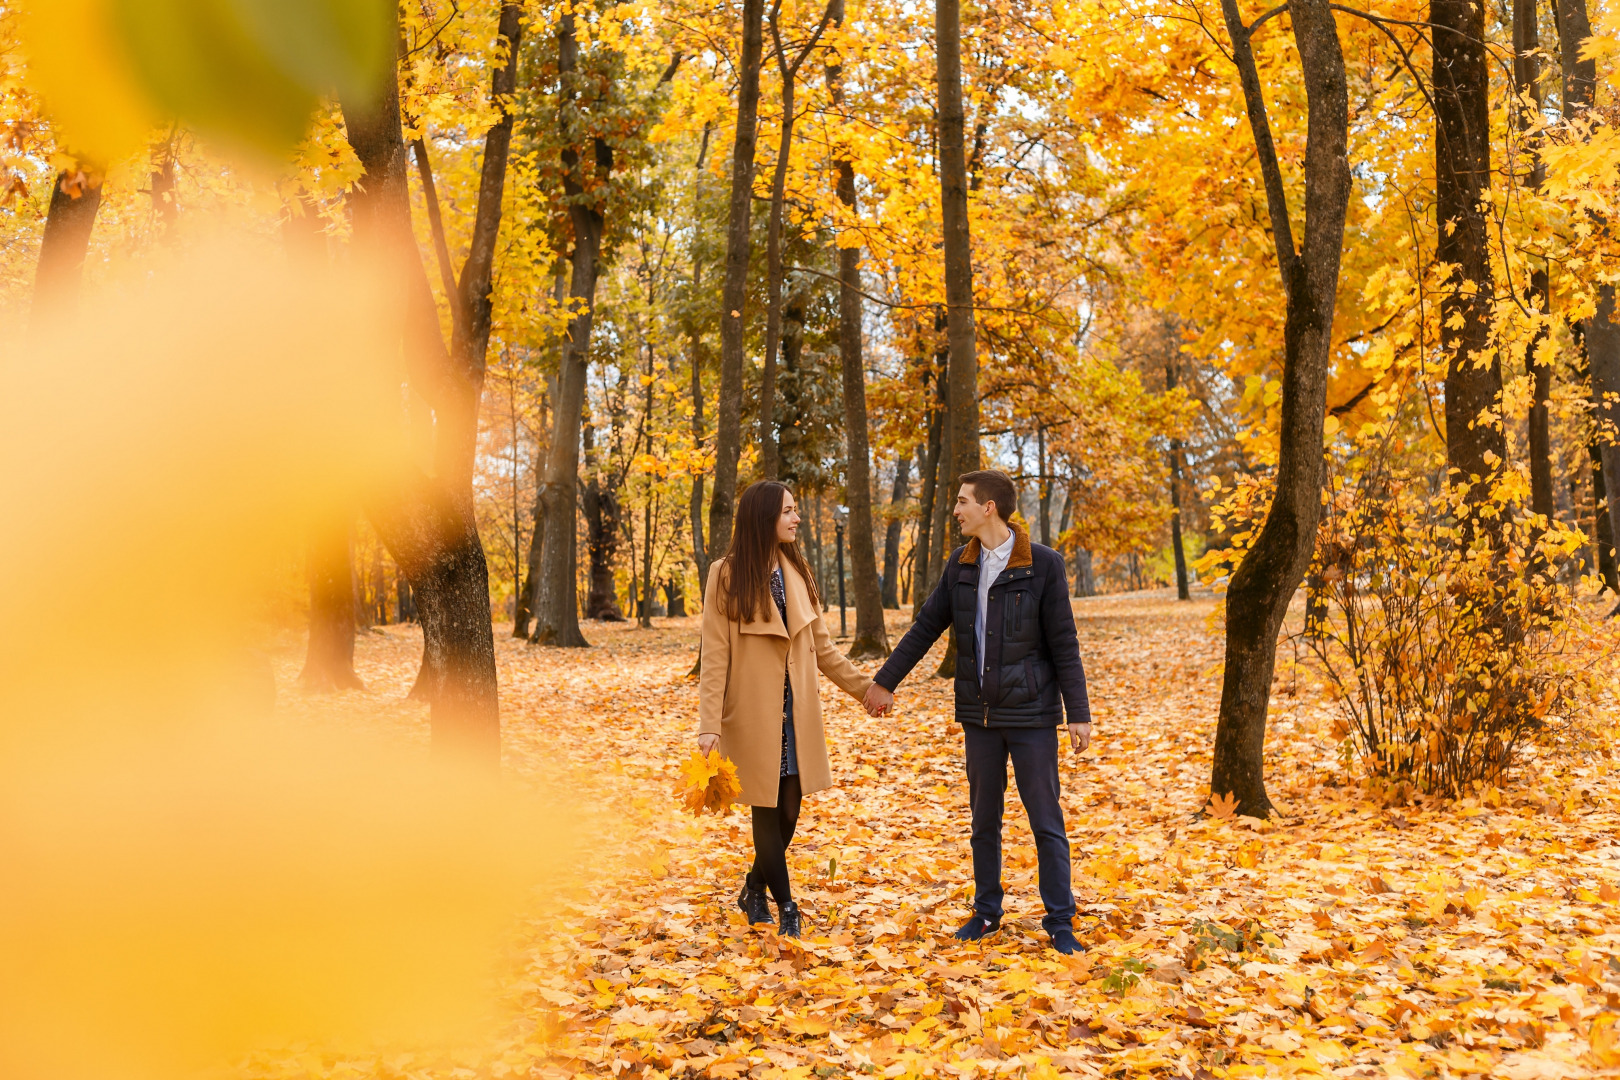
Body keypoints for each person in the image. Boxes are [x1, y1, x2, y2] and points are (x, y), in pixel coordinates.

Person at [863, 469, 1093, 954]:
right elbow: (926, 627)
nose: (957, 510)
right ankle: (987, 912)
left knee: (1045, 819)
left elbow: (1064, 642)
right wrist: (884, 682)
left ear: (988, 507)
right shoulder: (961, 565)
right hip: (980, 717)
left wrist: (1079, 710)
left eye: (964, 501)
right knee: (983, 820)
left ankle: (1060, 920)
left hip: (1031, 715)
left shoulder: (1044, 565)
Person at [697, 480, 873, 938]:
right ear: (763, 518)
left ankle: (754, 887)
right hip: (753, 714)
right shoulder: (726, 573)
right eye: (788, 511)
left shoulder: (797, 573)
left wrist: (867, 690)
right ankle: (787, 905)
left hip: (798, 714)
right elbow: (715, 654)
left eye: (795, 510)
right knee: (766, 807)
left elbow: (825, 650)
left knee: (790, 809)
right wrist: (708, 724)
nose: (796, 518)